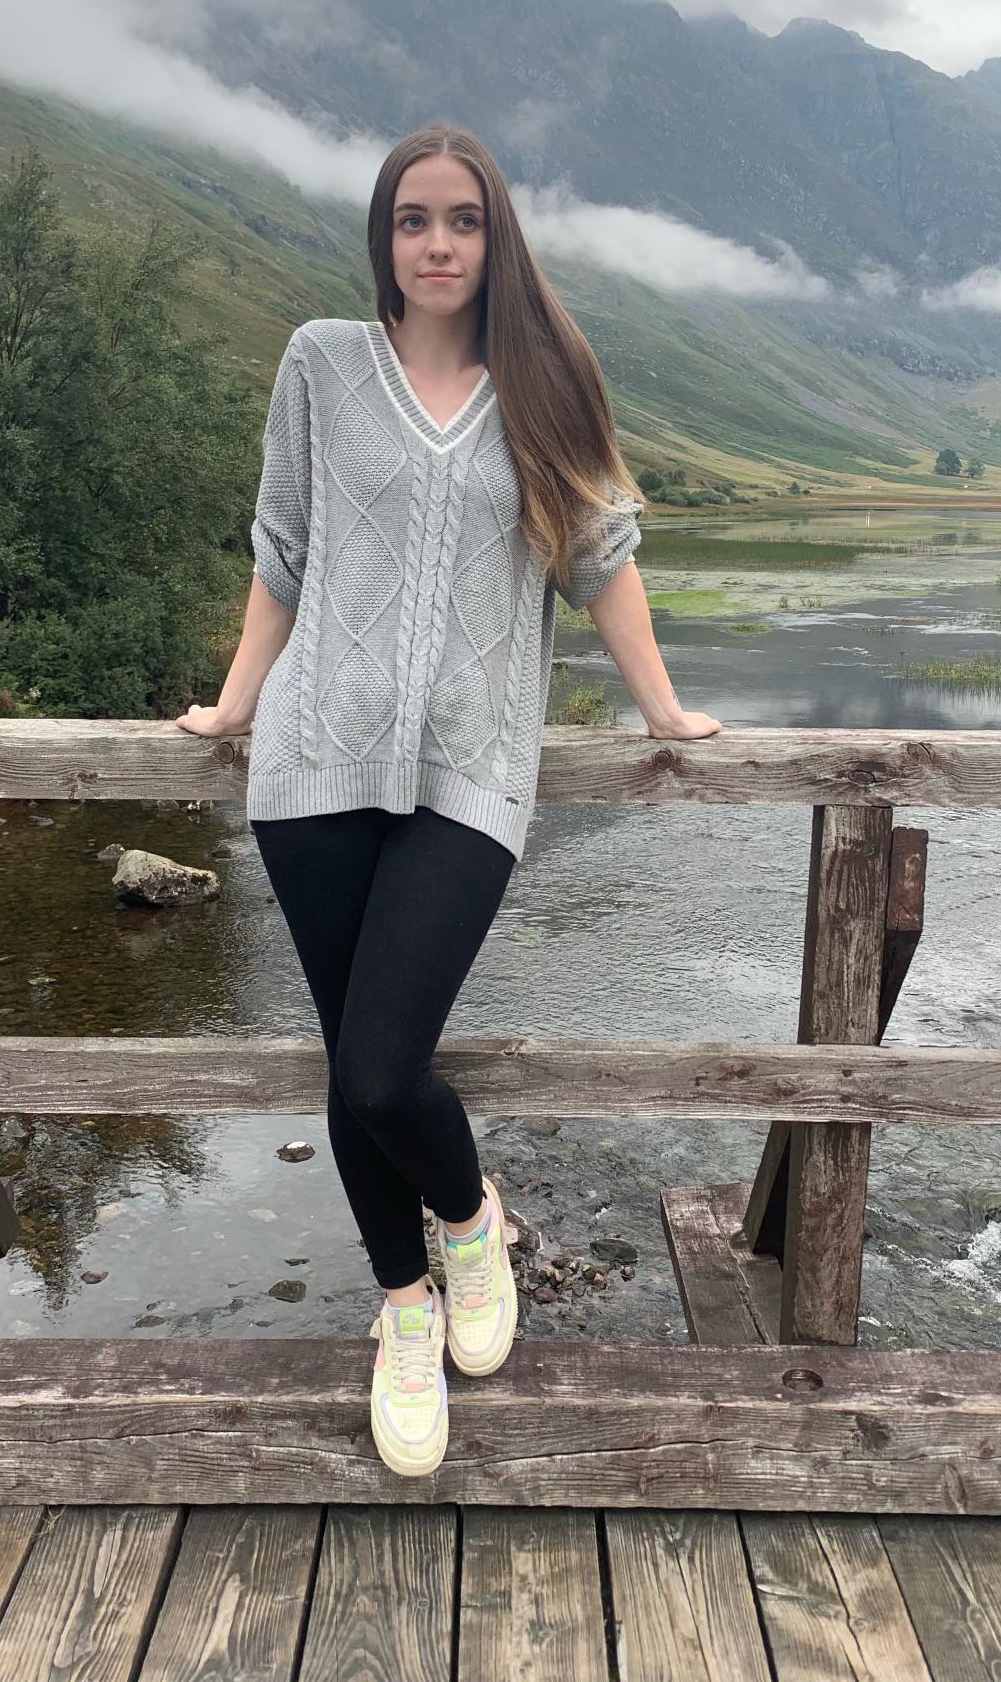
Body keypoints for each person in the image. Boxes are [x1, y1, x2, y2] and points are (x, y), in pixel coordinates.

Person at [176, 122, 720, 1475]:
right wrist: (236, 703)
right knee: (352, 1067)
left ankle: (471, 1223)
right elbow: (285, 551)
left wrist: (660, 709)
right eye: (413, 219)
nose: (437, 243)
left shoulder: (545, 382)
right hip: (314, 766)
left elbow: (599, 555)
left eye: (462, 221)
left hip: (472, 775)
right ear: (384, 236)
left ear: (496, 238)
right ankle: (405, 1308)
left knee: (381, 1065)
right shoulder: (320, 362)